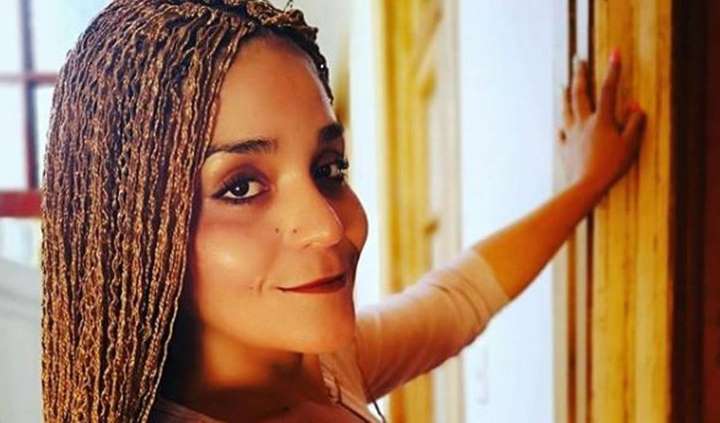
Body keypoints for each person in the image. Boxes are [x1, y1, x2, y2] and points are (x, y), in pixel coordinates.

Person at [39, 0, 646, 422]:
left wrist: (585, 184)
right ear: (133, 238)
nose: (329, 226)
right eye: (241, 187)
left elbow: (458, 300)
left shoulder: (323, 366)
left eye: (329, 169)